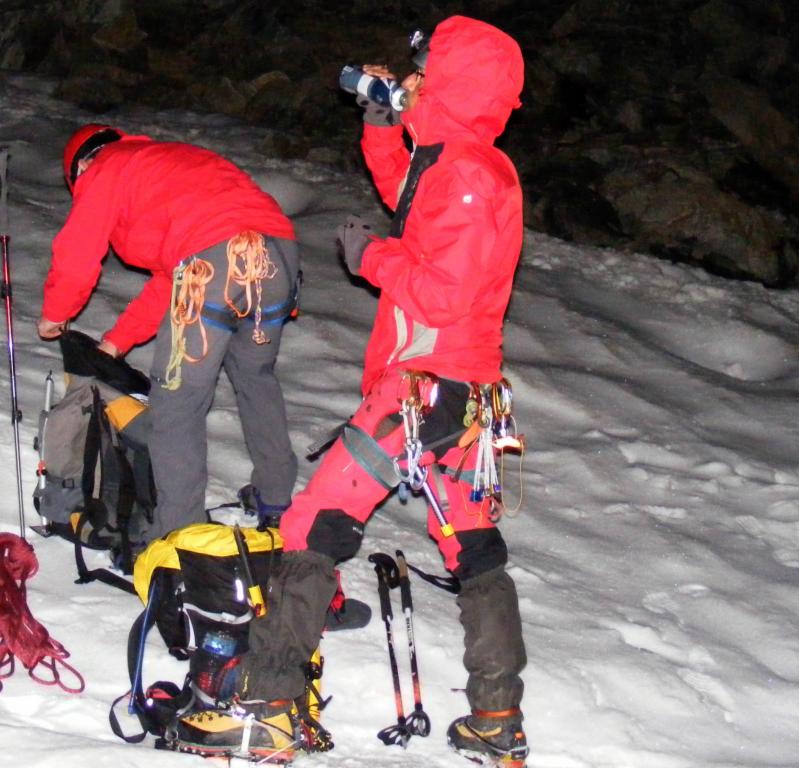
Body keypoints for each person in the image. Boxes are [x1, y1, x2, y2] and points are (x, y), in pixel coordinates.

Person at [174, 15, 530, 766]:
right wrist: (380, 127)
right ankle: (497, 719)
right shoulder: (462, 162)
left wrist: (372, 258)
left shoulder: (467, 173)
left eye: (424, 67)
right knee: (472, 546)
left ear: (454, 77)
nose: (413, 76)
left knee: (314, 524)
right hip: (461, 394)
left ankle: (267, 709)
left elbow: (444, 290)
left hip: (426, 389)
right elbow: (412, 197)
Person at [38, 125, 300, 538]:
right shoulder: (163, 166)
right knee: (256, 379)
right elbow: (169, 279)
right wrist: (116, 342)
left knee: (178, 402)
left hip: (214, 262)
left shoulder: (106, 168)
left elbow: (78, 248)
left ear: (82, 165)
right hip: (279, 257)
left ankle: (180, 533)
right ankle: (275, 496)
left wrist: (57, 311)